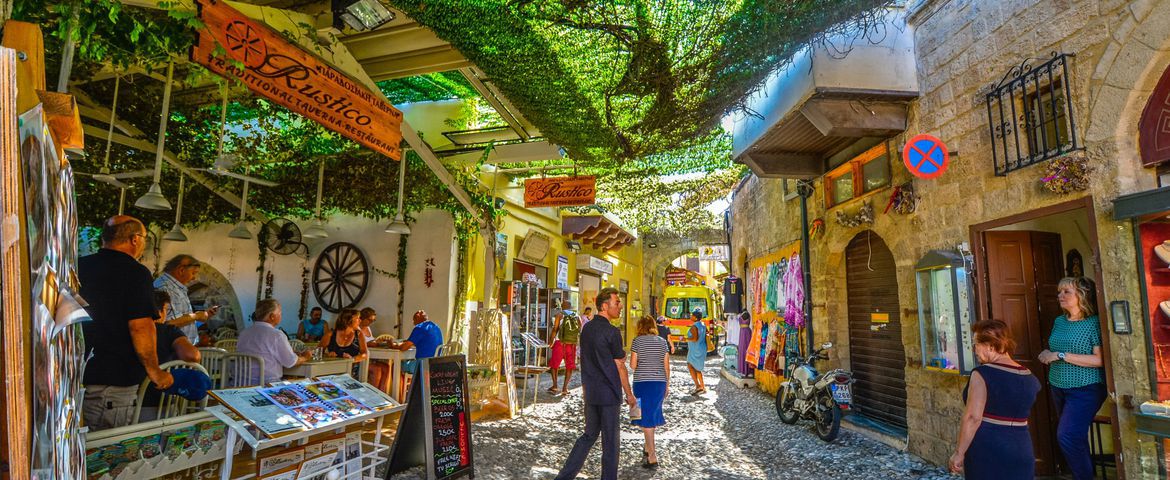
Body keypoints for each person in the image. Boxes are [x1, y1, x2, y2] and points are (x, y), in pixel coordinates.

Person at [80, 215, 175, 430]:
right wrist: (155, 371)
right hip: (113, 381)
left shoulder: (80, 266)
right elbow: (140, 326)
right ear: (134, 239)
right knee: (105, 446)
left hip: (75, 373)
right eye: (144, 238)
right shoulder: (135, 272)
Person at [555, 288, 636, 480]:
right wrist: (629, 394)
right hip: (609, 394)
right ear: (605, 306)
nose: (620, 306)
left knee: (589, 435)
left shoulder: (587, 329)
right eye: (617, 302)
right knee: (610, 442)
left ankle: (564, 477)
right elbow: (620, 366)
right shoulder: (612, 332)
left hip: (591, 392)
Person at [949, 319, 1041, 478]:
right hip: (1022, 447)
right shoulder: (1029, 376)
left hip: (989, 448)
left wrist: (959, 453)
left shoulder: (983, 374)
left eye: (976, 344)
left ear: (990, 346)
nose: (974, 349)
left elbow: (972, 418)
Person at [1038, 277, 1106, 480]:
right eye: (1059, 291)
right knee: (1076, 436)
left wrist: (1060, 355)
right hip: (1058, 385)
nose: (1060, 295)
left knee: (1067, 435)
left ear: (1082, 296)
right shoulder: (1059, 321)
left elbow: (1099, 360)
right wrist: (1047, 353)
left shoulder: (1094, 323)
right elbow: (1057, 348)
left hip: (1086, 388)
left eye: (1066, 291)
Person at [238, 299, 312, 385]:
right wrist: (306, 357)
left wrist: (291, 353)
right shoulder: (277, 335)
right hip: (266, 385)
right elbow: (290, 362)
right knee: (304, 384)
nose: (281, 316)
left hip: (240, 383)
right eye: (280, 313)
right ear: (272, 316)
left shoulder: (244, 333)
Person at [630, 315, 671, 469]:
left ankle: (652, 456)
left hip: (642, 383)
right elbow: (666, 366)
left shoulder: (637, 341)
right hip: (659, 383)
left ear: (640, 326)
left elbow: (633, 365)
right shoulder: (662, 342)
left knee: (645, 418)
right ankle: (647, 448)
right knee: (650, 415)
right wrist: (667, 385)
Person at [154, 254, 219, 344]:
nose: (194, 278)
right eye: (193, 273)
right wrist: (196, 316)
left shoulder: (177, 288)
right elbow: (166, 325)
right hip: (174, 349)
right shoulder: (166, 288)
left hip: (183, 347)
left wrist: (204, 316)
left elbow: (183, 322)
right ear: (181, 270)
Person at [153, 290, 201, 364]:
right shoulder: (169, 331)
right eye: (166, 309)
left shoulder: (135, 329)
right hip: (161, 371)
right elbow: (192, 355)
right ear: (159, 311)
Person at [321, 309, 369, 378]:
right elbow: (318, 352)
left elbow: (365, 354)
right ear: (349, 320)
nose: (360, 320)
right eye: (358, 318)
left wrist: (352, 359)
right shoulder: (330, 334)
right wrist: (327, 355)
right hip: (332, 371)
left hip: (351, 371)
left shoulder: (359, 334)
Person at [547, 301, 582, 395]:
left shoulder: (560, 315)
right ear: (570, 307)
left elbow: (555, 329)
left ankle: (555, 386)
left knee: (554, 365)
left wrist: (551, 341)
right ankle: (565, 388)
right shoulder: (577, 316)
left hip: (560, 343)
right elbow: (579, 330)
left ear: (562, 307)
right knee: (569, 366)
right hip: (571, 344)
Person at [359, 307, 390, 390]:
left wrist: (378, 341)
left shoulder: (368, 328)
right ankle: (373, 392)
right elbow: (359, 343)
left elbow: (371, 341)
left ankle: (381, 392)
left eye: (373, 320)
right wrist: (372, 343)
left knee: (386, 367)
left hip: (371, 357)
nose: (371, 322)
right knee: (377, 369)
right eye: (370, 320)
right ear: (363, 318)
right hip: (361, 359)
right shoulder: (357, 329)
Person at [685, 308, 708, 395]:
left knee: (691, 366)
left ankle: (698, 386)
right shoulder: (703, 325)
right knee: (698, 368)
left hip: (695, 349)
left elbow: (695, 339)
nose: (691, 316)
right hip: (701, 348)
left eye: (692, 315)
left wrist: (685, 339)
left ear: (695, 317)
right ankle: (702, 387)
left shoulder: (694, 326)